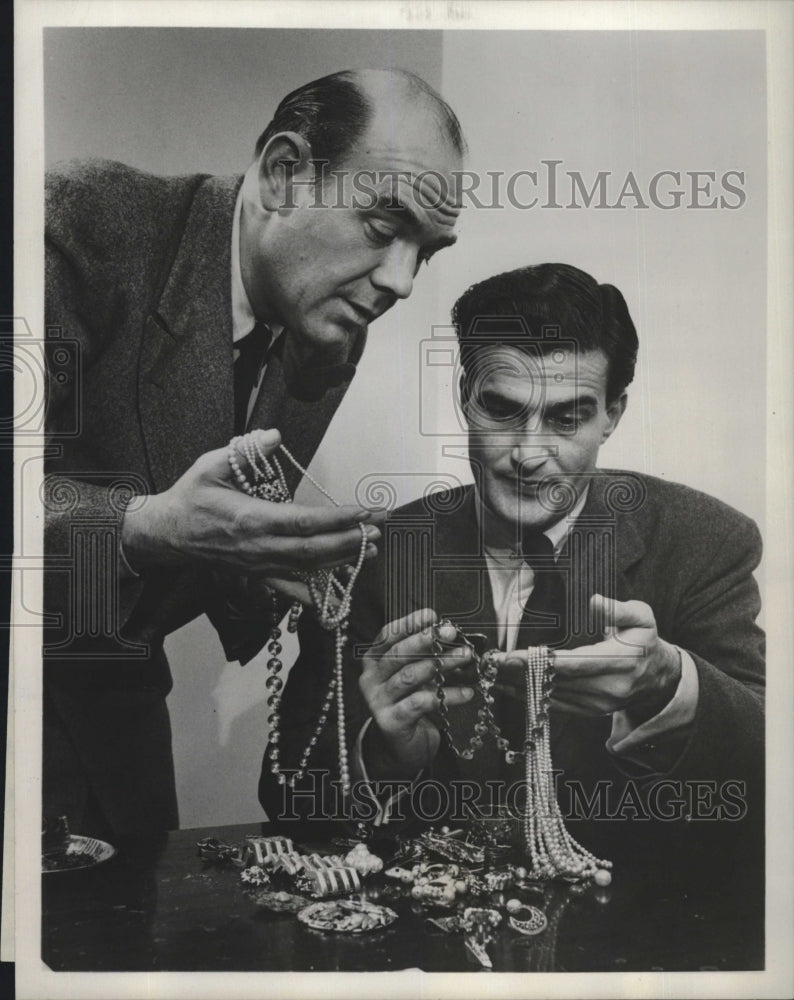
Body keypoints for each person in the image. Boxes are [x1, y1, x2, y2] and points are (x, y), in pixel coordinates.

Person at [43, 68, 465, 840]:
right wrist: (142, 524)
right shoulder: (81, 219)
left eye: (425, 253)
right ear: (282, 175)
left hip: (115, 708)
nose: (401, 282)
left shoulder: (329, 325)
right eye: (381, 228)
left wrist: (308, 573)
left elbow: (210, 536)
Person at [259, 263, 764, 874]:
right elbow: (286, 796)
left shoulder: (704, 541)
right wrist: (385, 756)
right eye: (501, 410)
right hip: (433, 940)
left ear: (613, 414)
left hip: (633, 935)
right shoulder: (379, 557)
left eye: (566, 419)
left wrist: (667, 682)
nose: (528, 454)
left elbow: (767, 777)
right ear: (464, 395)